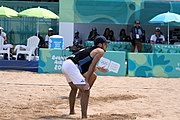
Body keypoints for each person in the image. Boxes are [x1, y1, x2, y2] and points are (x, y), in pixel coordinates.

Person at [62, 36, 109, 119]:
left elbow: (86, 64)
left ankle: (72, 111)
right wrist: (86, 81)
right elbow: (91, 66)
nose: (106, 46)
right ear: (100, 44)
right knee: (86, 90)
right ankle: (84, 117)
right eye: (105, 44)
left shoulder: (90, 49)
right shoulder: (100, 51)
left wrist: (98, 69)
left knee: (74, 88)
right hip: (72, 66)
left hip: (66, 64)